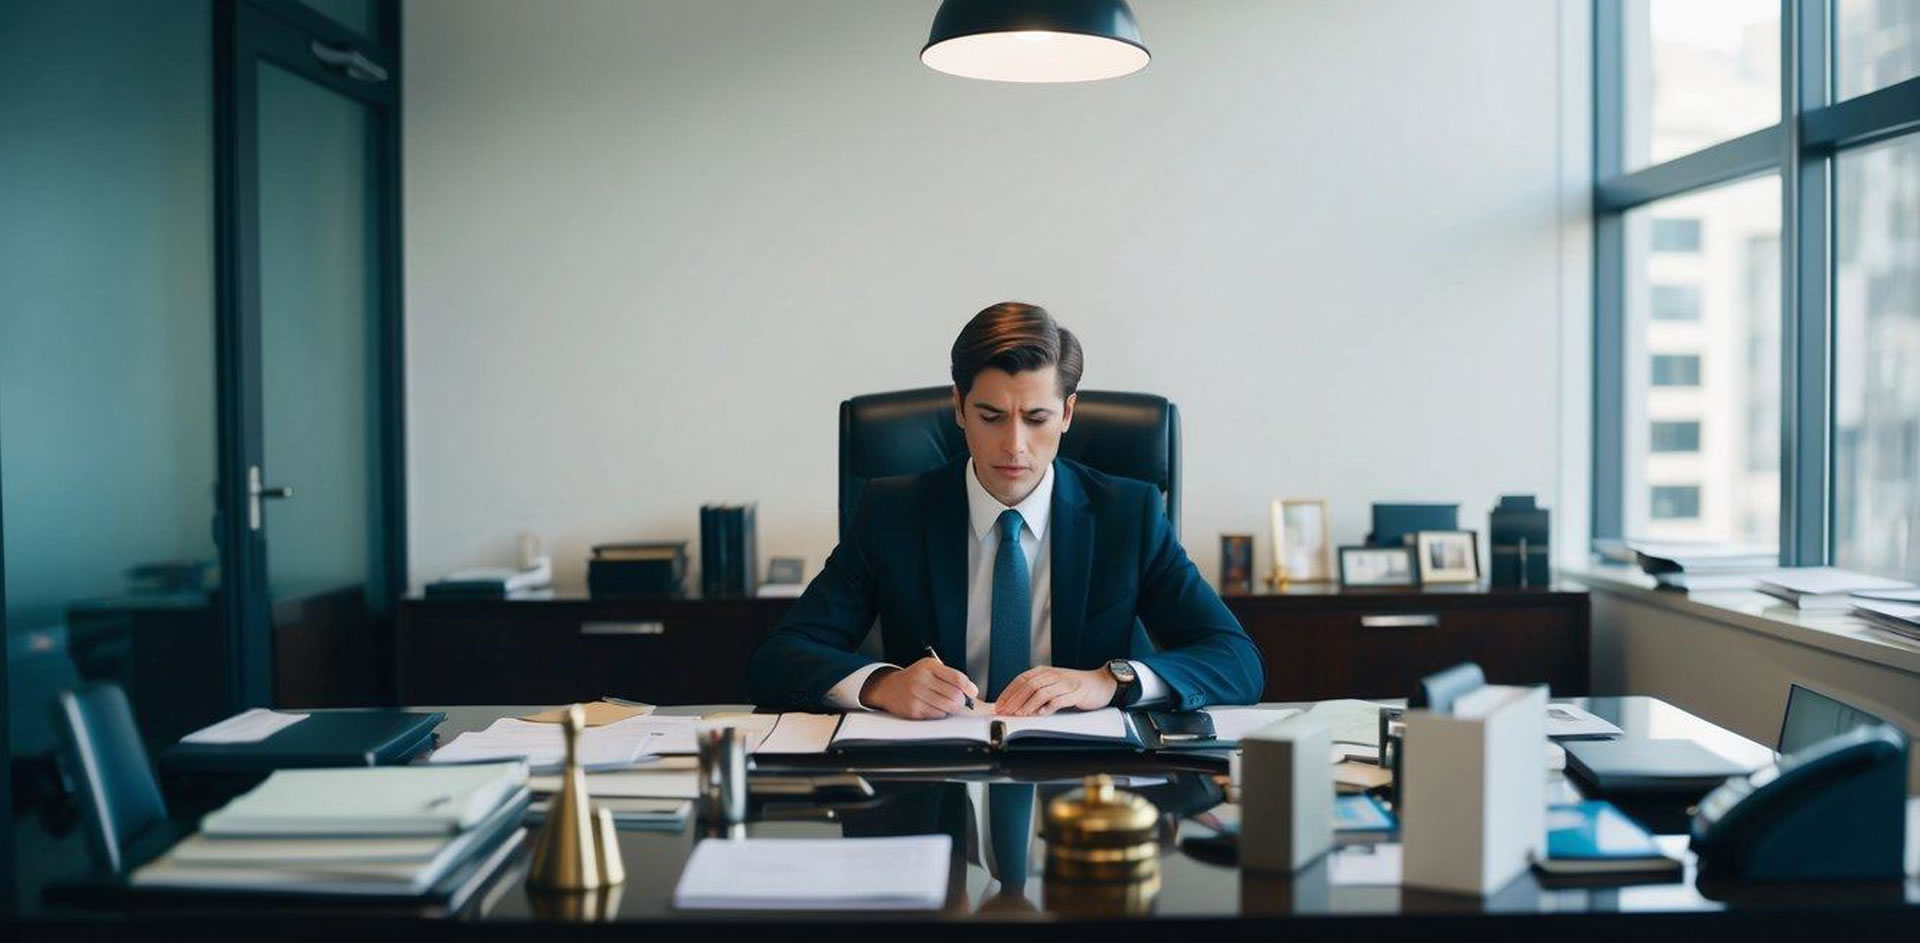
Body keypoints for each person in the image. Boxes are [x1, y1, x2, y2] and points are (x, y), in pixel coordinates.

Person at [746, 302, 1263, 718]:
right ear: (958, 408)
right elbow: (779, 659)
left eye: (1036, 418)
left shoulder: (1127, 514)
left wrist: (1111, 680)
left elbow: (1237, 661)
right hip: (934, 781)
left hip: (1087, 787)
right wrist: (882, 684)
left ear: (1067, 413)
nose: (1014, 446)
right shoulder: (893, 512)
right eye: (990, 416)